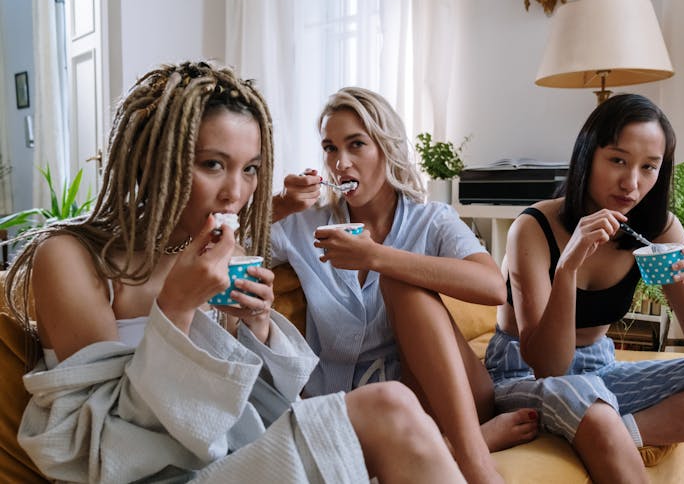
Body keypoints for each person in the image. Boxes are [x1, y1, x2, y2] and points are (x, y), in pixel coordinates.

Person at [4, 62, 467, 484]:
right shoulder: (71, 258)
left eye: (250, 170)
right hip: (160, 476)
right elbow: (105, 447)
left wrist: (257, 328)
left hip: (232, 456)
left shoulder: (224, 253)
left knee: (395, 406)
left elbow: (252, 406)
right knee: (387, 407)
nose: (235, 193)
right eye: (212, 164)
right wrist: (177, 307)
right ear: (154, 159)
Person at [272, 87, 538, 484]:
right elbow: (221, 243)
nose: (340, 163)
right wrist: (281, 205)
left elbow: (493, 288)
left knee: (400, 286)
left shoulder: (432, 219)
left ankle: (474, 461)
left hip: (444, 397)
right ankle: (449, 446)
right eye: (330, 148)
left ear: (386, 147)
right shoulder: (304, 223)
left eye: (356, 145)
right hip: (352, 410)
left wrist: (377, 257)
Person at [484, 93, 684, 483]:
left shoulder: (657, 228)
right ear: (587, 155)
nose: (632, 182)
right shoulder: (535, 228)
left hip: (600, 370)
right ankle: (600, 426)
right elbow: (549, 366)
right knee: (588, 402)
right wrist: (568, 267)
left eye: (649, 167)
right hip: (522, 375)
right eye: (618, 161)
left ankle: (619, 431)